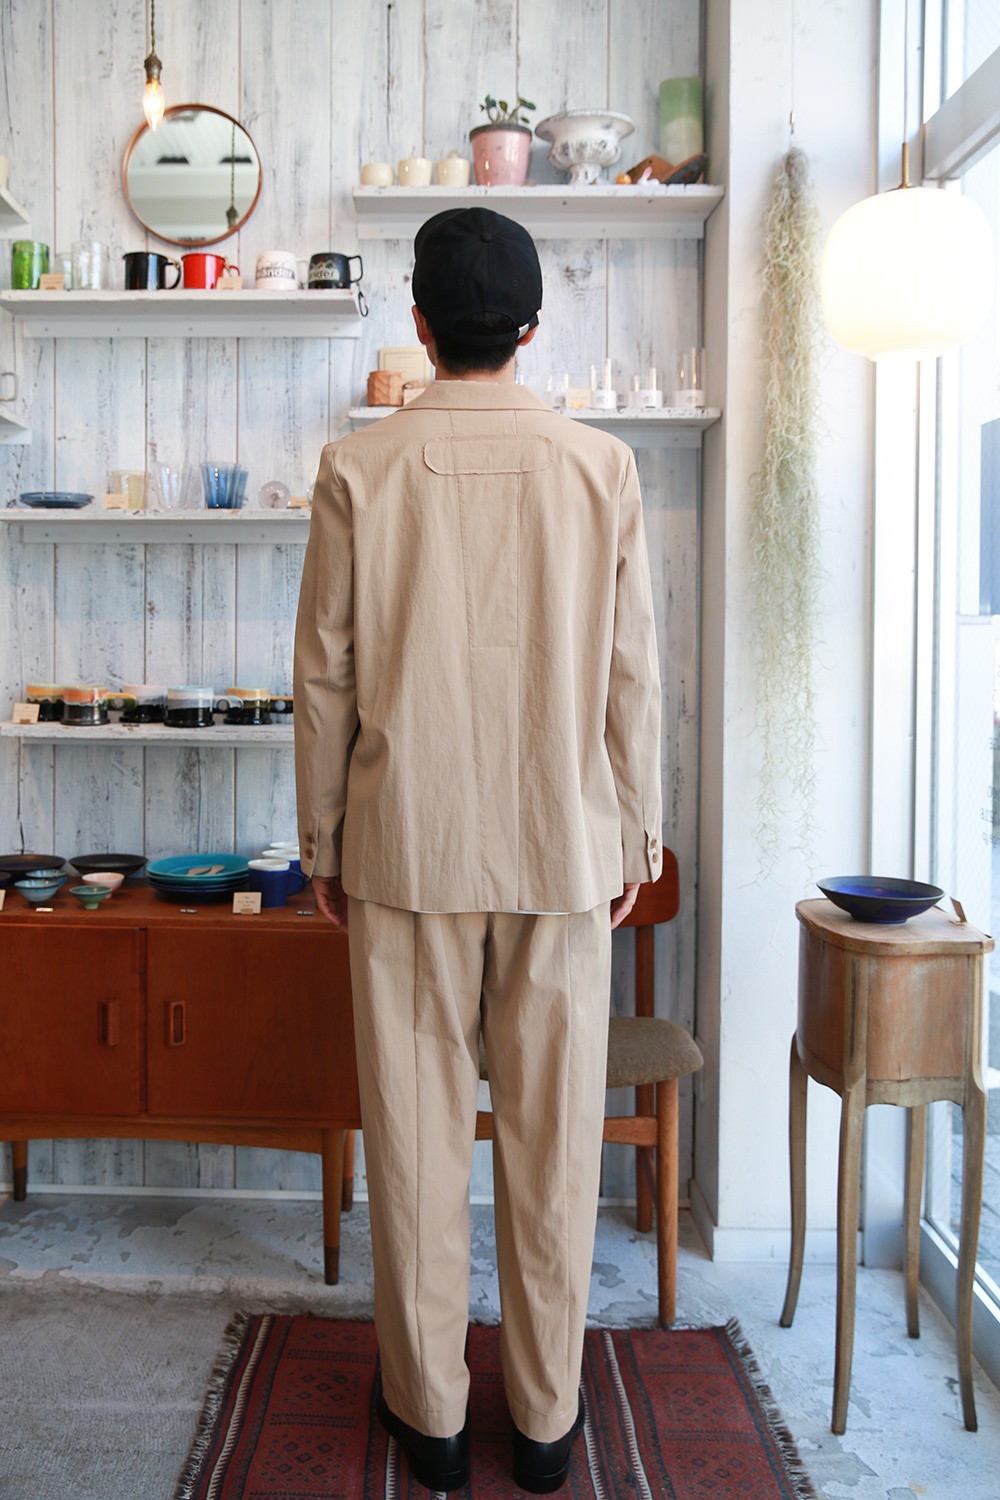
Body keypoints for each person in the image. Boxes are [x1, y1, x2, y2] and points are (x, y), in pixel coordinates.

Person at [294, 207, 662, 1494]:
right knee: (555, 1147)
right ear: (530, 328)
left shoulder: (357, 468)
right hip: (562, 851)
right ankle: (548, 1424)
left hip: (406, 848)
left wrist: (323, 841)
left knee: (413, 1143)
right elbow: (631, 676)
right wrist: (635, 835)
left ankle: (433, 1418)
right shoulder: (600, 468)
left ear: (418, 323)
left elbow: (323, 679)